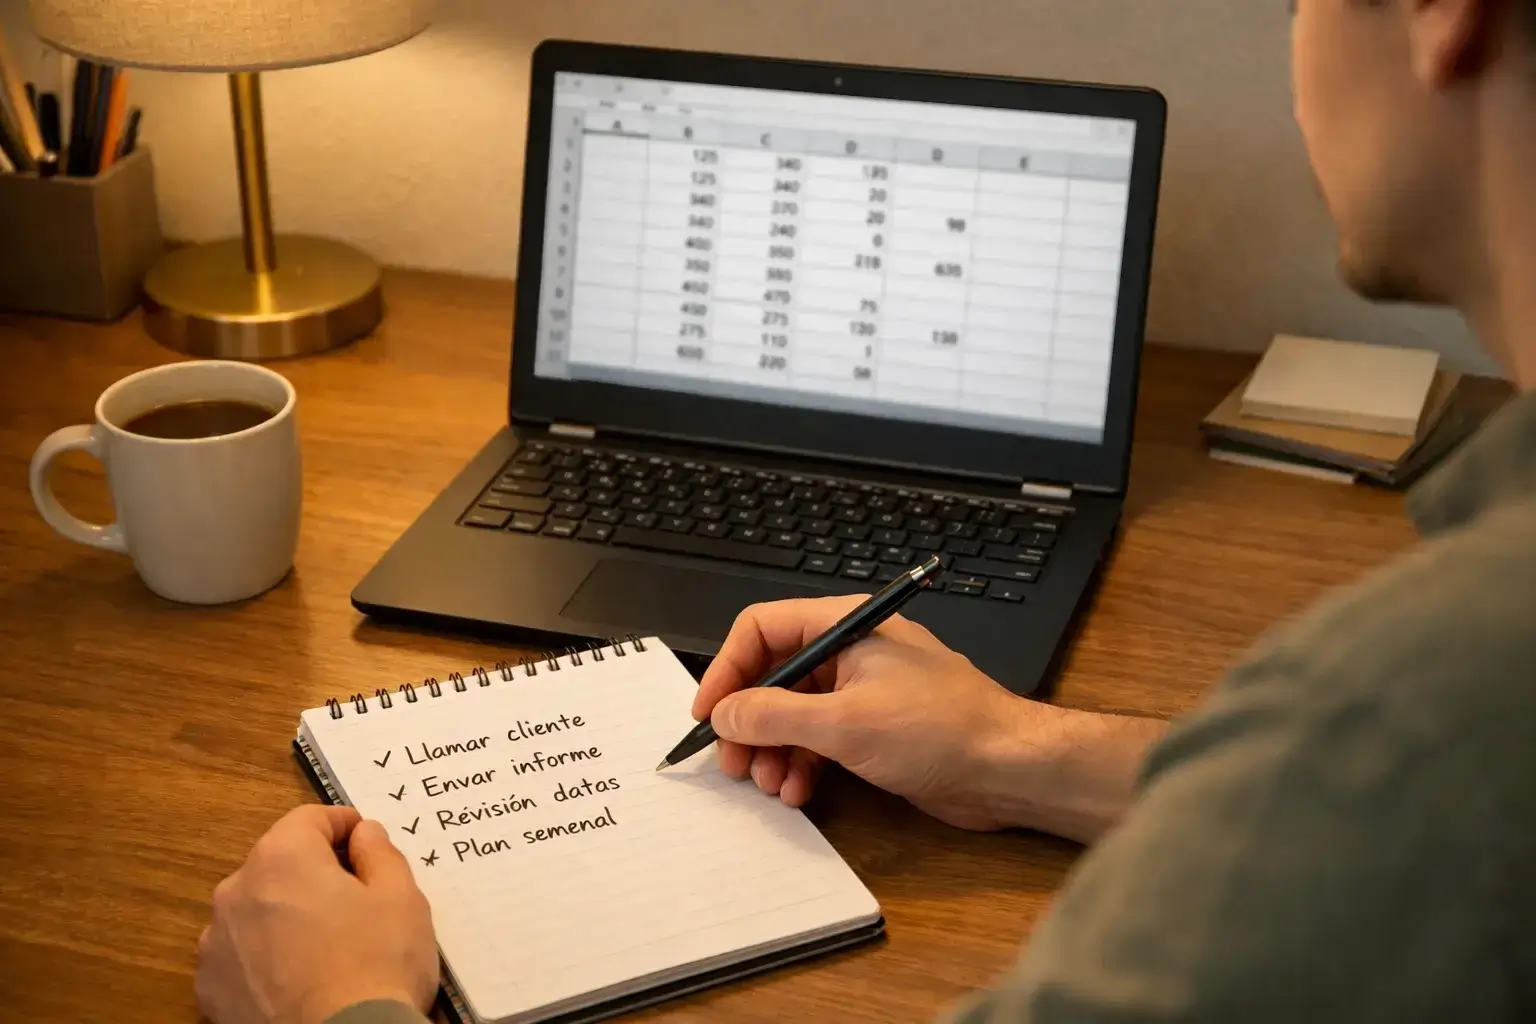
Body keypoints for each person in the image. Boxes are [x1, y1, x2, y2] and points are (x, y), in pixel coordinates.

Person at [196, 1, 1536, 1021]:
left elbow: (1380, 788)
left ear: (1441, 17)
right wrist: (1019, 749)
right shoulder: (1409, 724)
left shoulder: (1433, 696)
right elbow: (1326, 813)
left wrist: (344, 1005)